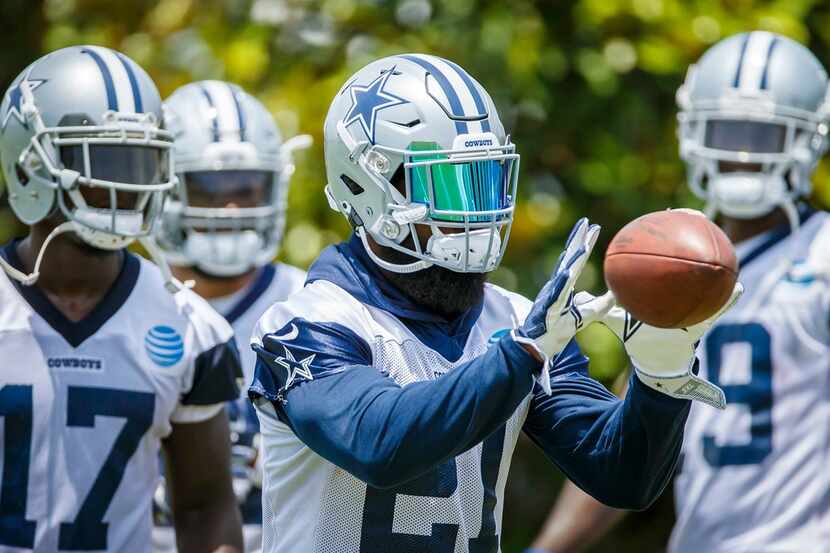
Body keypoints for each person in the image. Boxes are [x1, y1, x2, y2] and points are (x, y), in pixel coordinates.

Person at [246, 53, 742, 553]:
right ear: (370, 185)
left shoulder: (516, 319)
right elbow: (381, 444)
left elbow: (622, 477)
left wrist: (659, 381)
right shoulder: (306, 325)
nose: (478, 212)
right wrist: (521, 354)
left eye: (485, 180)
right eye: (450, 185)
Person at [527, 31, 830, 553]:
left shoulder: (822, 255)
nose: (741, 156)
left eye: (763, 138)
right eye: (727, 132)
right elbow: (631, 421)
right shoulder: (674, 257)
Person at [0, 45, 244, 552]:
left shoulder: (189, 328)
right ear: (29, 165)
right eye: (103, 161)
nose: (125, 185)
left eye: (140, 161)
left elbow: (205, 508)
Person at [151, 80, 310, 553]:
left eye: (247, 187)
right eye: (208, 189)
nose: (232, 207)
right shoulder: (131, 297)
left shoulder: (316, 303)